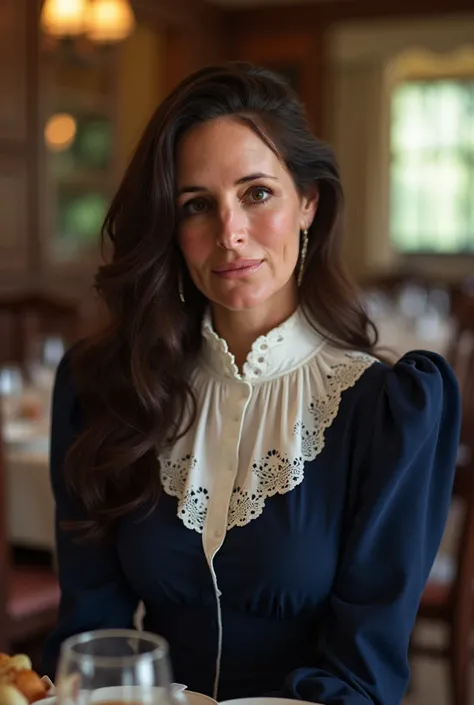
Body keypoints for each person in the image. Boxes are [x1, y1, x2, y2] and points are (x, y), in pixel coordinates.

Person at [42, 63, 461, 705]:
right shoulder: (103, 390)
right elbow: (90, 640)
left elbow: (362, 679)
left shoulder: (388, 411)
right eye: (197, 205)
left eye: (257, 193)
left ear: (309, 204)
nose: (230, 233)